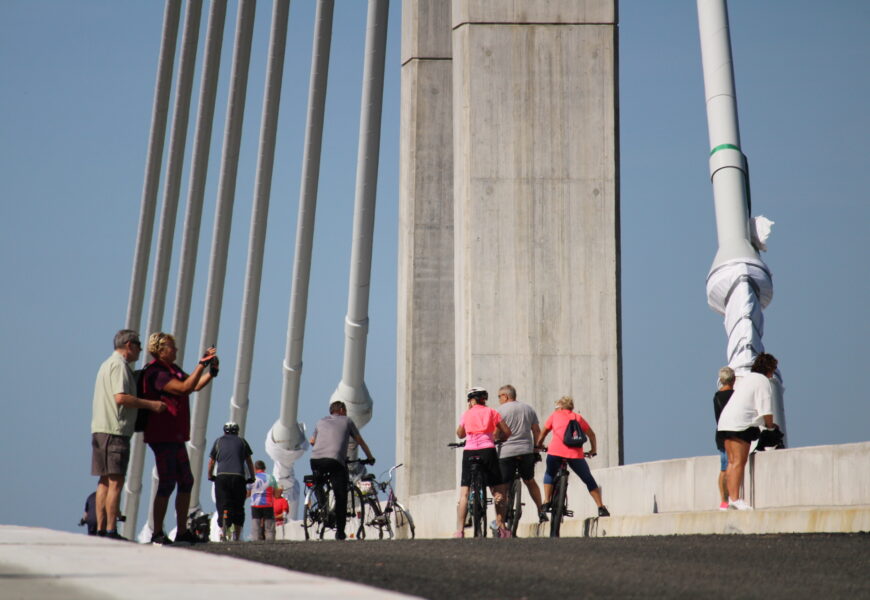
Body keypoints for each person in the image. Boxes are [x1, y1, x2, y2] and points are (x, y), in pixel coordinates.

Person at [140, 332, 218, 545]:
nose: (176, 350)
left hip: (175, 435)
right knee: (166, 482)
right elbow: (184, 387)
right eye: (172, 347)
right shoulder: (156, 373)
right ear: (161, 350)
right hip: (162, 434)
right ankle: (157, 532)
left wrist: (211, 372)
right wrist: (201, 364)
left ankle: (182, 530)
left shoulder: (171, 370)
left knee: (186, 480)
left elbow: (192, 385)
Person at [91, 329, 166, 540]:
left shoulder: (106, 365)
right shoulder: (120, 366)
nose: (141, 350)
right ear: (129, 345)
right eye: (139, 345)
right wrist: (151, 404)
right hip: (115, 430)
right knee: (116, 481)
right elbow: (121, 397)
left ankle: (100, 528)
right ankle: (111, 529)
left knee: (104, 481)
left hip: (100, 429)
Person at [717, 353, 781, 510]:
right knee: (739, 461)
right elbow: (766, 410)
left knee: (731, 462)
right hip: (741, 424)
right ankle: (736, 499)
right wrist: (771, 427)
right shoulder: (763, 381)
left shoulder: (748, 379)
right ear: (769, 369)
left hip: (725, 423)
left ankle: (731, 500)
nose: (773, 373)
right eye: (773, 369)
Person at [309, 400, 376, 541]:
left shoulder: (320, 421)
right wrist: (370, 457)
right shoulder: (347, 421)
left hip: (315, 461)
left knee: (318, 483)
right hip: (334, 461)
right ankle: (340, 532)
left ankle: (322, 506)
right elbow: (360, 441)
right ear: (341, 410)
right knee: (341, 495)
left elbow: (312, 441)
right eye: (345, 410)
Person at [536, 396, 610, 517]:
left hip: (555, 452)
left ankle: (546, 501)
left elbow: (543, 433)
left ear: (560, 407)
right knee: (588, 478)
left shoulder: (554, 416)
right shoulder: (578, 417)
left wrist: (539, 445)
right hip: (575, 454)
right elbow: (592, 435)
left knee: (549, 473)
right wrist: (593, 450)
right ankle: (601, 507)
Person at [454, 387, 512, 538]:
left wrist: (468, 414)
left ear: (472, 400)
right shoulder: (492, 412)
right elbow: (507, 432)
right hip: (488, 451)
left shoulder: (466, 414)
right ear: (484, 399)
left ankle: (459, 531)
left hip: (469, 452)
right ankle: (502, 528)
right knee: (498, 491)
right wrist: (499, 440)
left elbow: (460, 434)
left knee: (464, 493)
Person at [495, 384, 547, 522]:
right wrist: (536, 447)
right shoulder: (528, 408)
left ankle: (503, 516)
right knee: (529, 480)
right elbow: (536, 430)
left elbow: (496, 433)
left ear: (505, 396)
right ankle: (541, 510)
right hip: (526, 451)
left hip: (506, 452)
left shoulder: (499, 411)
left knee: (504, 485)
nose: (498, 399)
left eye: (499, 396)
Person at [207, 422, 255, 541]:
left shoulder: (218, 442)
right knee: (239, 506)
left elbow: (211, 462)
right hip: (238, 477)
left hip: (222, 477)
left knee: (222, 504)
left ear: (224, 431)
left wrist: (210, 475)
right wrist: (252, 476)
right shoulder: (242, 442)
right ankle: (237, 536)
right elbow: (249, 461)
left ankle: (223, 530)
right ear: (237, 431)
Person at [713, 366, 736, 510]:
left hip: (721, 434)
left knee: (723, 468)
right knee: (733, 466)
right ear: (733, 379)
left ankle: (724, 501)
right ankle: (734, 497)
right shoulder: (735, 395)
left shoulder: (716, 397)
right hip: (734, 434)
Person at [248, 460, 278, 541]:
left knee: (256, 527)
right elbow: (276, 494)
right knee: (270, 528)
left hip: (255, 505)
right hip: (268, 504)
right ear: (265, 468)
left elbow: (247, 493)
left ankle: (256, 543)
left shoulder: (252, 478)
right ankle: (271, 543)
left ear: (255, 468)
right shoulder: (271, 477)